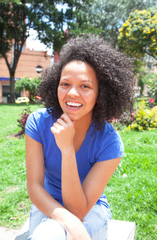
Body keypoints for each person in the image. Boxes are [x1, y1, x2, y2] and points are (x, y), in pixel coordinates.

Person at [25, 34, 134, 240]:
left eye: (85, 86)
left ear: (101, 93)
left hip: (89, 209)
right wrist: (69, 222)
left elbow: (78, 209)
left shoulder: (109, 142)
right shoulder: (38, 123)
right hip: (46, 204)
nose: (72, 93)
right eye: (65, 84)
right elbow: (35, 187)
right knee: (50, 233)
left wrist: (66, 149)